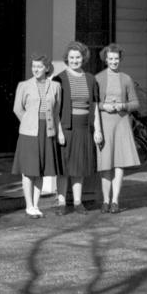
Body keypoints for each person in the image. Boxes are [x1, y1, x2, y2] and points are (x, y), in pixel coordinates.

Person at [53, 41, 103, 215]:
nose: (75, 60)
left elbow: (95, 105)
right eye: (72, 57)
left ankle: (77, 201)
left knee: (79, 166)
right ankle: (61, 203)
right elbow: (55, 109)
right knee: (64, 167)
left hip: (84, 127)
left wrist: (97, 129)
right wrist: (59, 131)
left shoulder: (91, 79)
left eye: (78, 57)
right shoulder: (59, 79)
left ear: (84, 58)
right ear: (67, 59)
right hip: (66, 127)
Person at [10, 53, 61, 219]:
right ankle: (29, 205)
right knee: (28, 170)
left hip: (47, 131)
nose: (36, 70)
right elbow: (18, 109)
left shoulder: (55, 87)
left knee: (40, 170)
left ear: (46, 68)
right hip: (29, 132)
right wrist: (28, 122)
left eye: (39, 67)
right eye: (33, 67)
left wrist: (57, 131)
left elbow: (56, 111)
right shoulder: (23, 86)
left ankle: (36, 205)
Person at [95, 43, 140, 214]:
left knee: (119, 163)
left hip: (121, 123)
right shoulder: (98, 78)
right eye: (110, 59)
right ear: (105, 59)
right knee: (106, 163)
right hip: (105, 123)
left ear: (120, 59)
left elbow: (135, 103)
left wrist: (123, 105)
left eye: (116, 59)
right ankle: (105, 201)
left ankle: (115, 201)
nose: (114, 62)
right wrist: (104, 106)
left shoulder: (126, 79)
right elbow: (93, 104)